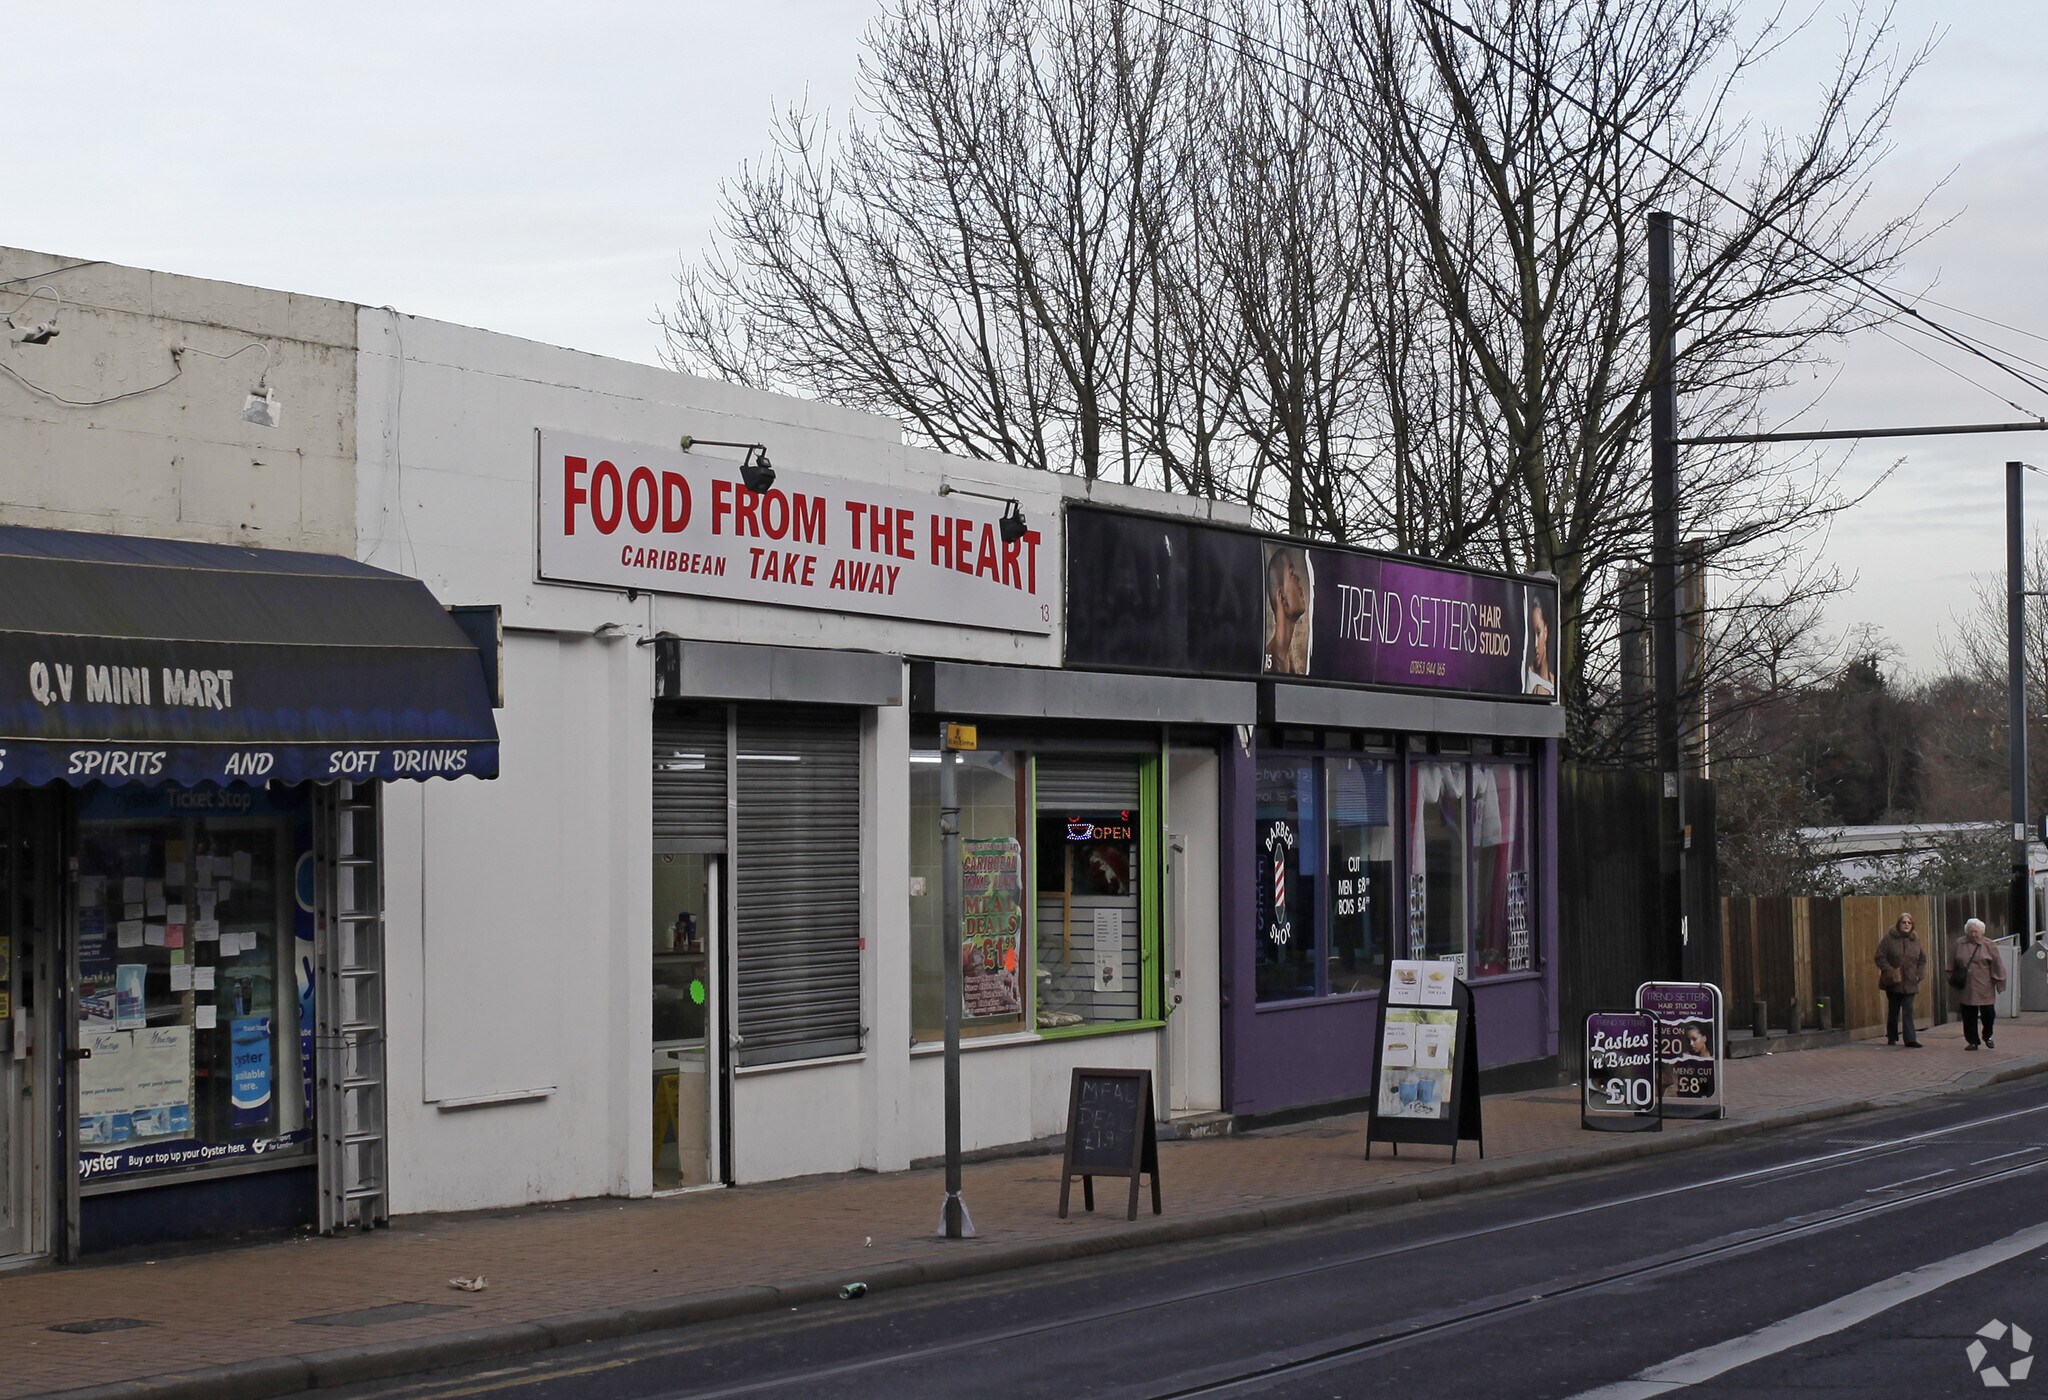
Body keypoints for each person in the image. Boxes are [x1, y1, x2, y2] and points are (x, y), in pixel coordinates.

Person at [1951, 917, 2007, 1051]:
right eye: (1970, 931)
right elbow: (1951, 962)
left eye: (1976, 932)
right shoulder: (1959, 943)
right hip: (1967, 986)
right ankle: (1972, 1041)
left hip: (1985, 985)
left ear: (1981, 932)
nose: (1973, 934)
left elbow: (1997, 964)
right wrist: (1951, 978)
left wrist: (2000, 980)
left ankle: (1987, 1035)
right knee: (1968, 1014)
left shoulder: (1989, 944)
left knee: (1988, 1014)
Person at [1874, 912, 1926, 1048]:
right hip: (1894, 982)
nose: (1906, 925)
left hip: (1910, 981)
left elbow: (1922, 959)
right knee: (1894, 1010)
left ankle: (1910, 1039)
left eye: (1909, 923)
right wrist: (1890, 970)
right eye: (1904, 922)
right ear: (1899, 924)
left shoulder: (1915, 940)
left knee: (1908, 1009)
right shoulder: (1888, 939)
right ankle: (1892, 1035)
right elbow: (1879, 957)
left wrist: (1919, 974)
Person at [1263, 547, 1310, 675]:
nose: (1298, 579)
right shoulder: (1267, 665)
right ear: (1281, 596)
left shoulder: (1289, 662)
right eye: (1291, 573)